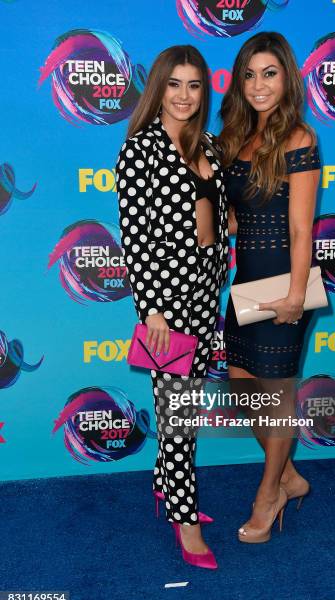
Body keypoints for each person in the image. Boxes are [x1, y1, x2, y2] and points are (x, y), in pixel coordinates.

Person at [115, 45, 229, 568]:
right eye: (174, 84)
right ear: (158, 87)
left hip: (208, 295)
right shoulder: (140, 151)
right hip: (168, 307)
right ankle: (184, 522)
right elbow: (135, 239)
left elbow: (219, 220)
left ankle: (166, 484)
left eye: (195, 85)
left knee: (183, 405)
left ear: (204, 91)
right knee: (179, 417)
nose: (184, 95)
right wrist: (153, 311)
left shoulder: (209, 144)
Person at [219, 32, 321, 543]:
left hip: (285, 280)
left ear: (286, 78)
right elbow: (240, 220)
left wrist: (297, 295)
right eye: (250, 74)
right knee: (242, 389)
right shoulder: (236, 137)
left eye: (270, 73)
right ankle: (288, 474)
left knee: (277, 396)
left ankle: (268, 495)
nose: (259, 85)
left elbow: (302, 228)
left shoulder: (299, 138)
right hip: (247, 283)